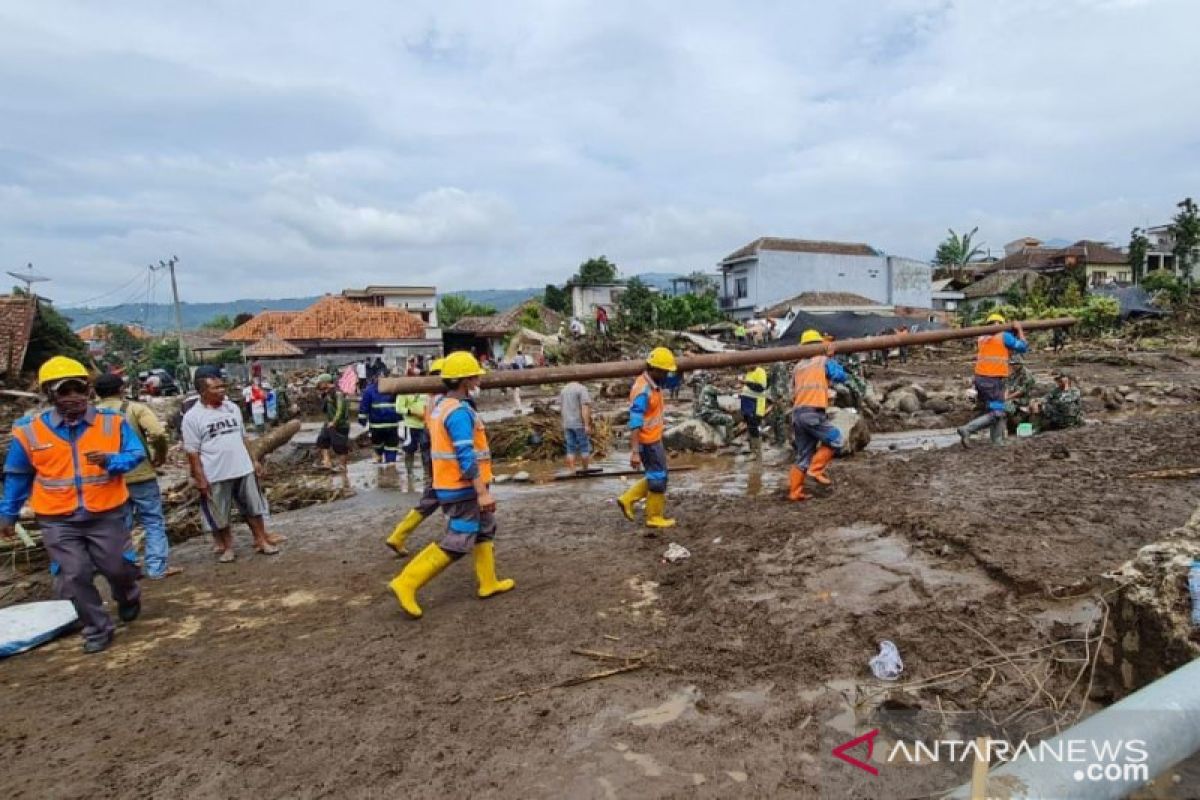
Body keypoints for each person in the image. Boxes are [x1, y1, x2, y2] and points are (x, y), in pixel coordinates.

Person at [0, 357, 146, 653]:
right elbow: (17, 476)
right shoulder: (29, 431)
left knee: (117, 567)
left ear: (89, 390)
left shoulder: (111, 422)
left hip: (106, 512)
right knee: (74, 574)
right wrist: (8, 514)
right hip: (57, 519)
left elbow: (136, 452)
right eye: (64, 392)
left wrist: (112, 461)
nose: (73, 398)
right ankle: (97, 628)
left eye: (78, 389)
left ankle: (128, 595)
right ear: (50, 395)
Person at [388, 352, 514, 618]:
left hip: (451, 483)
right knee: (459, 539)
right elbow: (465, 456)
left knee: (485, 528)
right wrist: (481, 492)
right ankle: (407, 581)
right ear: (465, 381)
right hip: (462, 487)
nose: (479, 378)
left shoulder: (442, 407)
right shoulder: (457, 413)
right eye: (475, 375)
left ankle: (488, 582)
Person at [182, 372, 280, 562]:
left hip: (243, 468)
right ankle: (228, 547)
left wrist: (254, 461)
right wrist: (199, 477)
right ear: (202, 391)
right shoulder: (193, 417)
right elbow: (192, 452)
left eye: (222, 387)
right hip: (215, 473)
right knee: (220, 514)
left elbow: (243, 437)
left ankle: (261, 540)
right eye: (215, 388)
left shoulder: (232, 408)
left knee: (254, 508)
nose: (221, 391)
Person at [93, 374, 179, 580]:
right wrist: (160, 455)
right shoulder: (135, 409)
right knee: (152, 521)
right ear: (122, 389)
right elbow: (157, 433)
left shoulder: (90, 415)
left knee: (120, 525)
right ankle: (156, 568)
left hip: (108, 478)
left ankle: (127, 568)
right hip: (141, 474)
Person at [385, 359, 444, 556]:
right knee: (440, 497)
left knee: (435, 497)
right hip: (442, 455)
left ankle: (398, 535)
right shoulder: (443, 400)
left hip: (433, 447)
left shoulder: (432, 397)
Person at [616, 347, 678, 528]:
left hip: (653, 439)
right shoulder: (643, 390)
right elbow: (635, 422)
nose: (667, 375)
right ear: (656, 370)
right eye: (665, 372)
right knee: (658, 479)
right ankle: (654, 517)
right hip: (647, 442)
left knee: (658, 475)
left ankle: (627, 498)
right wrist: (635, 452)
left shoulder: (650, 383)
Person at [789, 329, 850, 502]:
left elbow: (791, 392)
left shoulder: (798, 367)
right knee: (836, 439)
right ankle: (815, 470)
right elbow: (841, 376)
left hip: (798, 414)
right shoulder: (821, 361)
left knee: (803, 455)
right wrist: (830, 358)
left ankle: (794, 492)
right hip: (813, 413)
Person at [957, 313, 1028, 448]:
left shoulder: (982, 337)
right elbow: (1023, 347)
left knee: (996, 408)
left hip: (981, 379)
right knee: (998, 412)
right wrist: (1019, 329)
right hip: (991, 380)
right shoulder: (1004, 336)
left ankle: (997, 441)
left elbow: (1000, 346)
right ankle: (967, 429)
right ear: (999, 324)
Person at [358, 375, 401, 466]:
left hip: (378, 425)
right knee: (390, 446)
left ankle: (384, 461)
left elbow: (364, 406)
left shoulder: (369, 390)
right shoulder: (393, 388)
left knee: (382, 445)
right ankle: (390, 466)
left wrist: (362, 420)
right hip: (390, 424)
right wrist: (400, 417)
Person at [315, 373, 352, 471]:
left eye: (321, 383)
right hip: (329, 423)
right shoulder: (326, 394)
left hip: (340, 424)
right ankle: (327, 462)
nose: (319, 385)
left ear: (326, 383)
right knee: (322, 440)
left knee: (340, 446)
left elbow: (340, 409)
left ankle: (343, 466)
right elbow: (324, 409)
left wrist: (334, 422)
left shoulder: (338, 394)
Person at [559, 381, 594, 473]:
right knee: (584, 447)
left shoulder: (564, 390)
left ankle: (572, 471)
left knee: (570, 448)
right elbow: (584, 408)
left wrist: (563, 423)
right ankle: (585, 470)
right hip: (579, 424)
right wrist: (586, 425)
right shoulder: (581, 389)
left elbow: (561, 407)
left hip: (567, 423)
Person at [691, 372, 734, 444]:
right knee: (729, 420)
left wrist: (725, 409)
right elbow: (724, 392)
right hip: (708, 415)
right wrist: (734, 391)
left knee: (725, 416)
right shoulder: (709, 387)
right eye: (715, 380)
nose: (717, 382)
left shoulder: (704, 389)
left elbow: (714, 405)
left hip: (705, 413)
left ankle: (727, 438)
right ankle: (729, 442)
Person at [740, 365, 768, 460]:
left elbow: (761, 387)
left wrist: (746, 383)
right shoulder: (749, 373)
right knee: (750, 426)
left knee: (753, 426)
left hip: (756, 404)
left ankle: (756, 452)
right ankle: (752, 449)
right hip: (748, 404)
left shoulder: (760, 371)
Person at [1004, 355, 1037, 431]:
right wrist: (1005, 397)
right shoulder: (1013, 374)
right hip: (1013, 397)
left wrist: (1008, 398)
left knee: (1006, 406)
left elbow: (1021, 391)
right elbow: (1008, 387)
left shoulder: (1027, 375)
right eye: (1011, 364)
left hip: (1025, 398)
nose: (1013, 366)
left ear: (1020, 364)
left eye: (1015, 364)